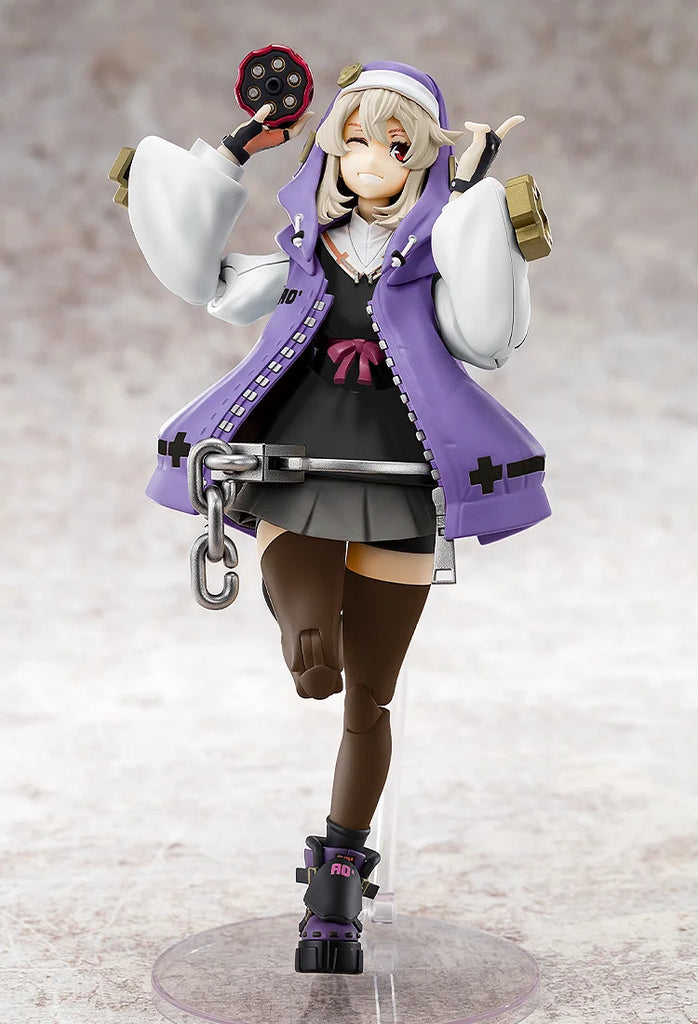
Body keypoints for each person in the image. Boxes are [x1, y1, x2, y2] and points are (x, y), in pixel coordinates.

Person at [126, 59, 550, 974]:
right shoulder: (302, 255)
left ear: (421, 157)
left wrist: (475, 206)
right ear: (330, 149)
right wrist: (235, 149)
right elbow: (206, 280)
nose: (370, 161)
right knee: (315, 654)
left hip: (398, 468)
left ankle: (337, 887)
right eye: (354, 140)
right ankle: (302, 629)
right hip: (297, 459)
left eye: (395, 145)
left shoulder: (431, 261)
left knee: (370, 698)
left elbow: (487, 337)